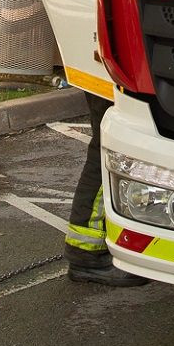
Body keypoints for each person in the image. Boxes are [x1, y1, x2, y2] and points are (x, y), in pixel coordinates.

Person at [64, 94, 147, 287]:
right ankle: (86, 255)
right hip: (114, 82)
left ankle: (90, 251)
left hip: (109, 79)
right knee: (109, 153)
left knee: (111, 151)